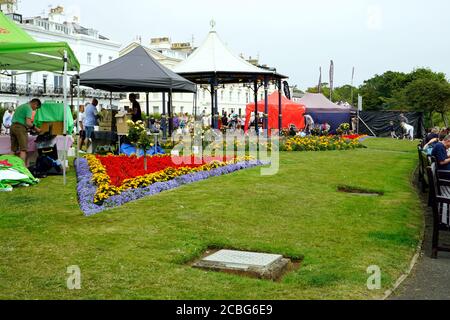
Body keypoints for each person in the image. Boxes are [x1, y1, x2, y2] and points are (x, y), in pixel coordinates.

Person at [10, 98, 41, 164]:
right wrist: (37, 129)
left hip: (12, 127)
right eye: (36, 107)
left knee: (13, 149)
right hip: (20, 128)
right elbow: (28, 123)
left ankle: (10, 166)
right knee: (23, 149)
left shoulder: (21, 106)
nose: (35, 109)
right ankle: (22, 168)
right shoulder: (28, 108)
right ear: (34, 104)